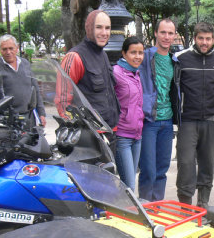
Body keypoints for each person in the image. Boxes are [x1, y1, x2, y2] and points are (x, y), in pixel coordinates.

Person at [175, 22, 214, 208]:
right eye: (201, 39)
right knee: (186, 163)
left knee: (207, 164)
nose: (204, 42)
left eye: (208, 39)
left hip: (211, 121)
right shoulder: (181, 58)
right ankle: (186, 206)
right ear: (195, 38)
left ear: (213, 39)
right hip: (188, 120)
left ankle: (203, 203)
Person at [60, 10, 120, 152]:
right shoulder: (74, 57)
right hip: (88, 139)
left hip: (110, 134)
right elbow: (62, 101)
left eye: (107, 28)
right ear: (89, 28)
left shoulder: (103, 55)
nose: (104, 32)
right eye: (98, 27)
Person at [138, 18, 181, 201]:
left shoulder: (175, 61)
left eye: (170, 33)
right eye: (163, 32)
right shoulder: (145, 56)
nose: (166, 37)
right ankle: (146, 209)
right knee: (148, 169)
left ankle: (157, 207)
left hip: (167, 120)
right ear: (155, 33)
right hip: (149, 120)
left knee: (162, 168)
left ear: (175, 36)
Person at [0, 34, 46, 128]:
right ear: (0, 50)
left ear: (17, 48)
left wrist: (41, 113)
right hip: (8, 121)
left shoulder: (25, 63)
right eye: (4, 49)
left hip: (28, 118)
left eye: (11, 48)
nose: (8, 52)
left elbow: (35, 89)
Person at [113, 37, 145, 191]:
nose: (137, 56)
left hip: (137, 135)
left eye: (140, 53)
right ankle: (127, 213)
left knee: (130, 183)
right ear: (124, 53)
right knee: (129, 186)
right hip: (123, 136)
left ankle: (126, 212)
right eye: (133, 52)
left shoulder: (136, 73)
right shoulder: (116, 72)